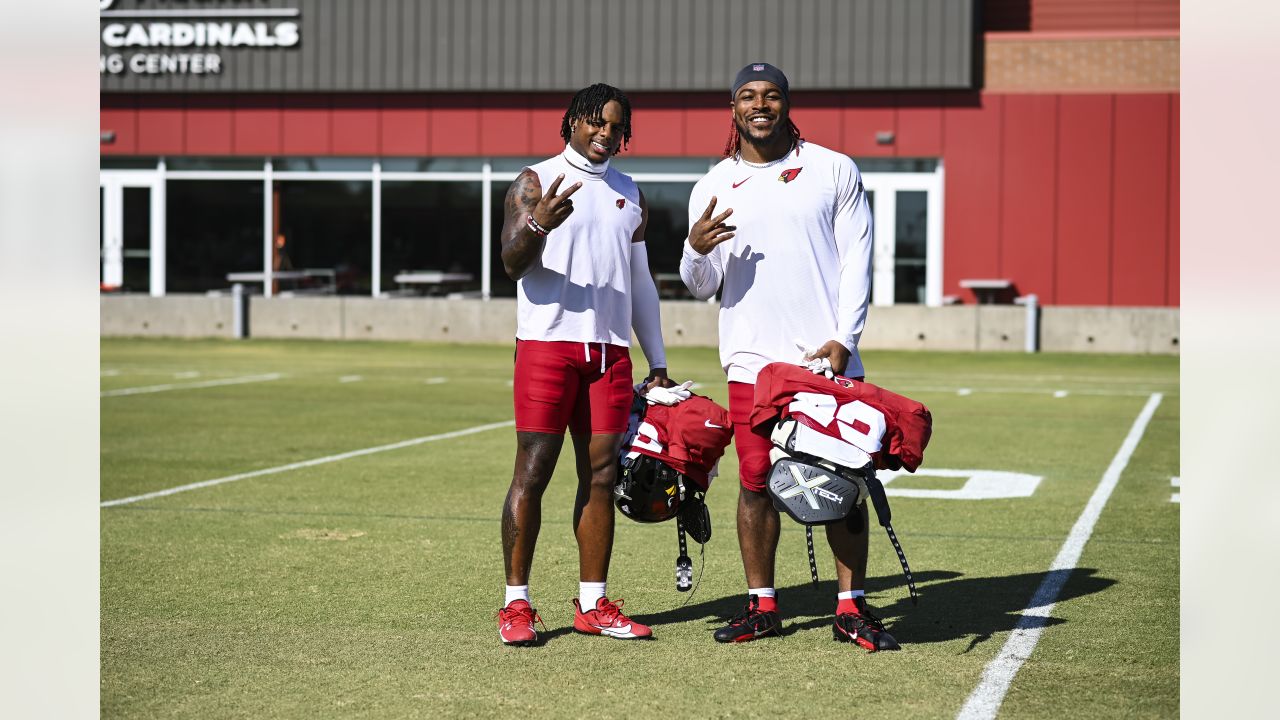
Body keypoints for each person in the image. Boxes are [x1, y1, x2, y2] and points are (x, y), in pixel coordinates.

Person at [679, 63, 897, 651]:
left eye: (771, 95)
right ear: (733, 108)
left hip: (824, 360)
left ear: (786, 103)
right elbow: (701, 284)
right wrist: (694, 250)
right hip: (751, 361)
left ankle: (850, 607)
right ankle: (762, 605)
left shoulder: (833, 169)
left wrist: (845, 339)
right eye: (748, 96)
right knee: (755, 482)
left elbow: (858, 261)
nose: (760, 105)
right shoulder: (715, 184)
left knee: (845, 483)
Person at [496, 83, 673, 646]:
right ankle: (516, 606)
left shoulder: (630, 191)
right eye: (596, 122)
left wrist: (659, 360)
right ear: (572, 122)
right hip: (549, 346)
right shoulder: (534, 180)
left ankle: (592, 604)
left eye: (617, 126)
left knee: (601, 476)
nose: (606, 133)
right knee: (533, 471)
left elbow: (641, 282)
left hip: (610, 353)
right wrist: (539, 223)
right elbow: (511, 262)